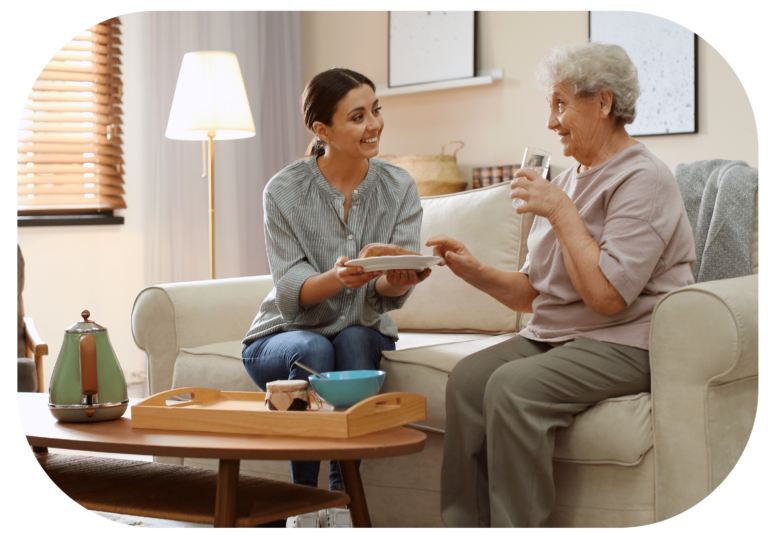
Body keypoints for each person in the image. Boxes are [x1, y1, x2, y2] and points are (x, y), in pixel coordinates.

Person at [428, 42, 696, 529]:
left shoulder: (644, 179)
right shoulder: (569, 180)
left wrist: (559, 210)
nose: (551, 123)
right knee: (468, 380)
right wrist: (474, 270)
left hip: (625, 340)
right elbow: (536, 292)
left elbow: (608, 298)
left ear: (604, 103)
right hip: (556, 336)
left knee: (512, 388)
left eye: (560, 104)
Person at [241, 68, 430, 529]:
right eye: (358, 116)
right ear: (322, 131)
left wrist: (399, 280)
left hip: (356, 332)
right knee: (313, 347)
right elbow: (292, 291)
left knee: (356, 341)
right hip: (281, 339)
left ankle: (342, 507)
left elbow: (384, 292)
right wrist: (340, 278)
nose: (375, 125)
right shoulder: (284, 190)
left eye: (376, 110)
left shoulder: (398, 186)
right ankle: (301, 507)